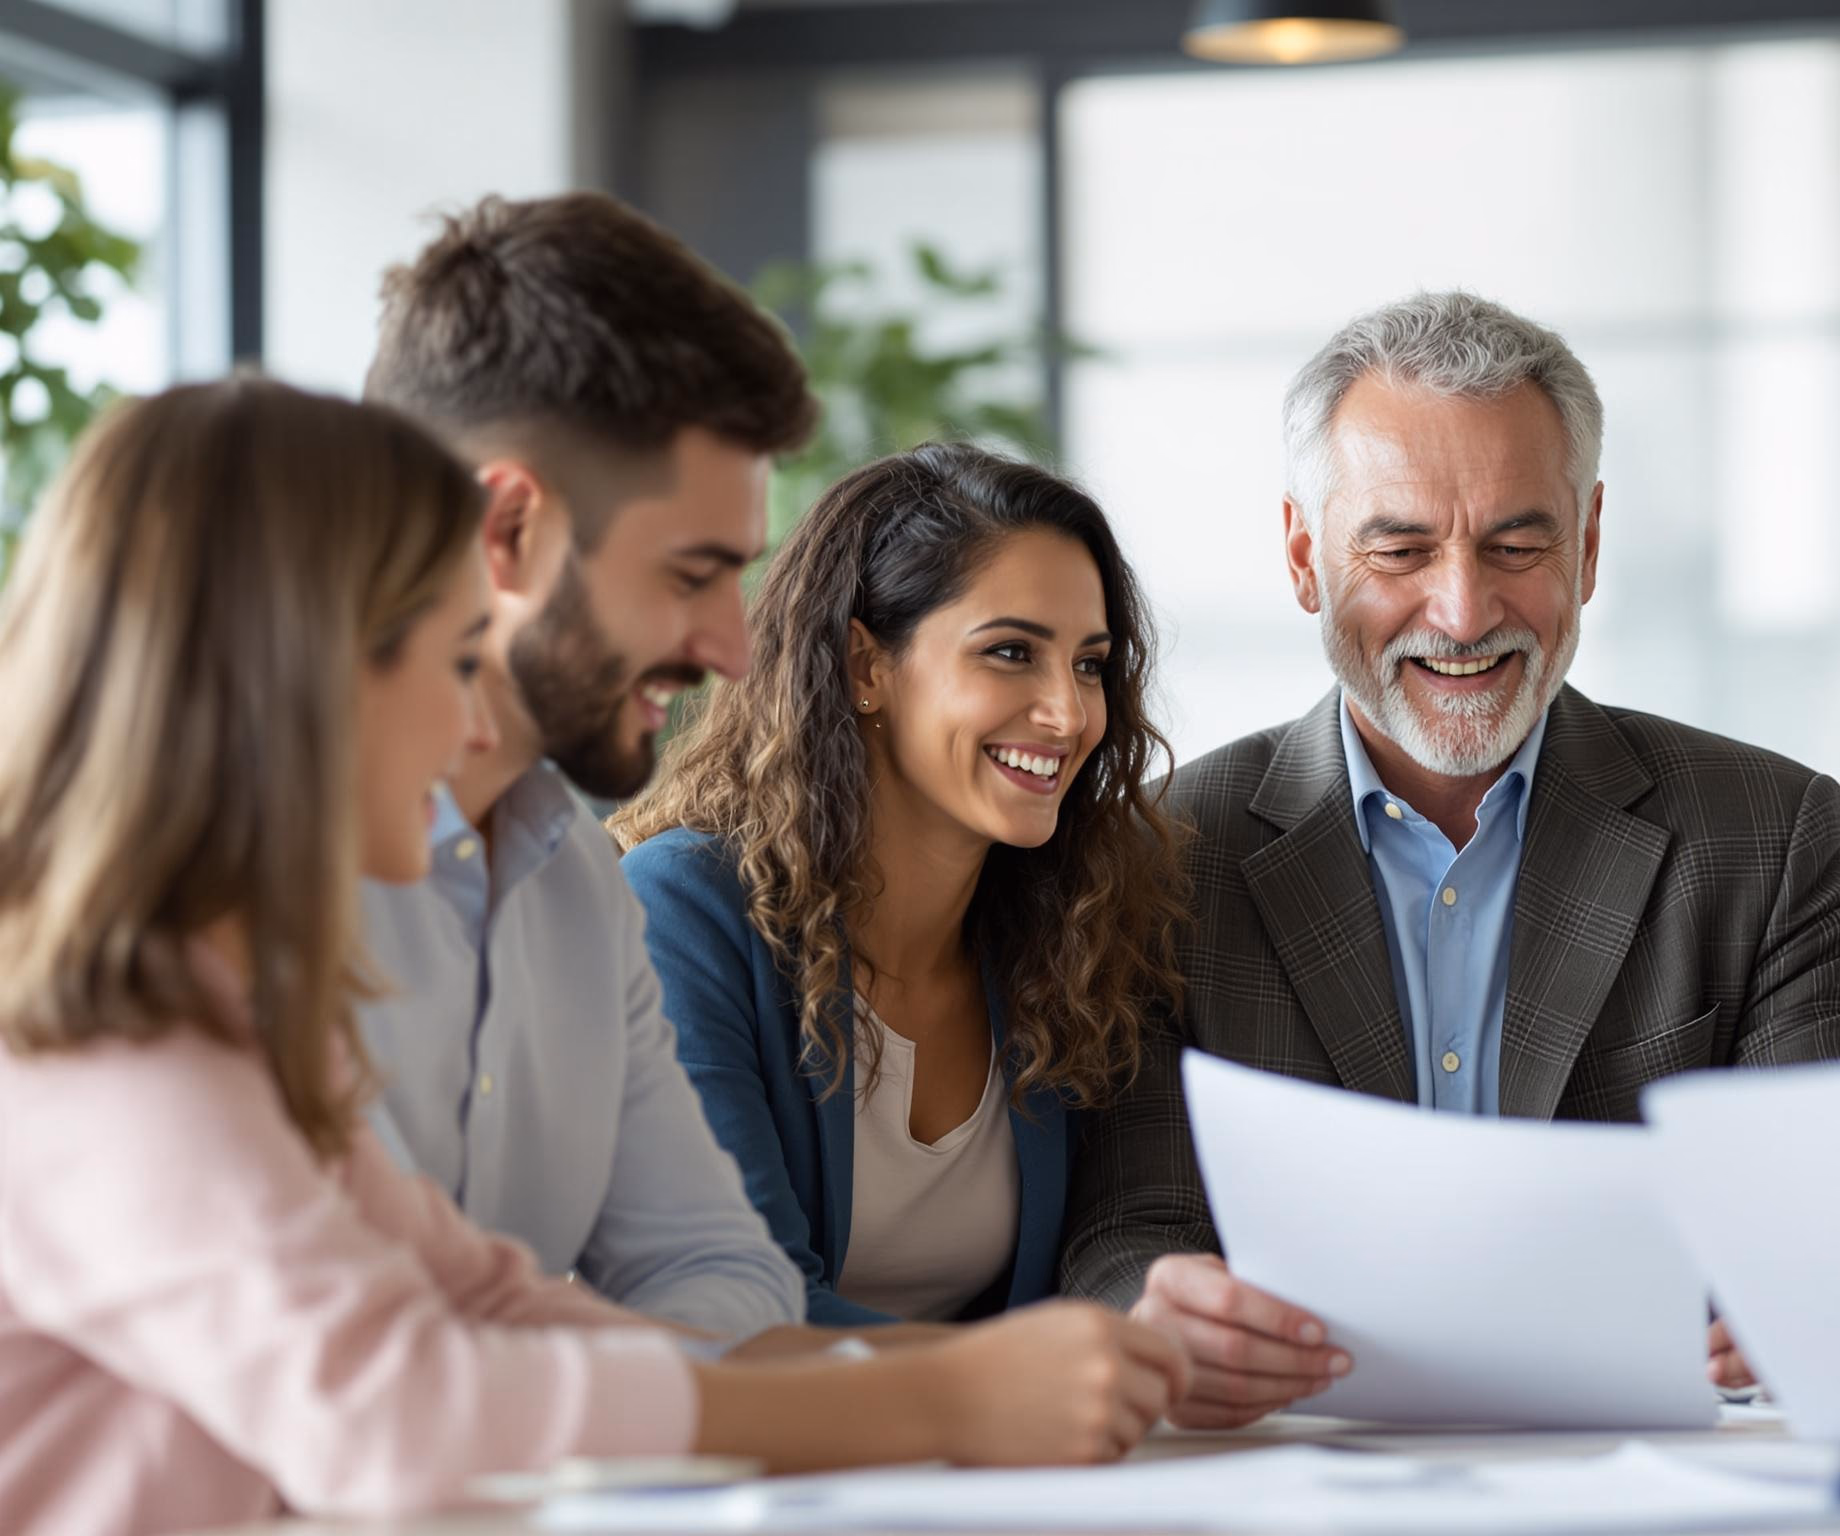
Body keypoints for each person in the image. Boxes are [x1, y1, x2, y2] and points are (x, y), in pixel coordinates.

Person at [0, 381, 1188, 1535]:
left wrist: (1031, 1369)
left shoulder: (225, 1011)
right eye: (462, 661)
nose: (478, 732)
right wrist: (940, 1396)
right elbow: (394, 1410)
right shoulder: (97, 1046)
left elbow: (492, 1308)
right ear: (298, 676)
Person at [1056, 290, 1840, 1428]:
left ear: (1588, 546)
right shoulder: (1160, 859)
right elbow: (1128, 1225)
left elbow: (1834, 1222)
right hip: (1303, 1472)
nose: (1461, 611)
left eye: (1517, 545)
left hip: (1664, 1477)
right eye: (1399, 549)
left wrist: (1807, 1298)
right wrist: (1162, 1308)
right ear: (1306, 559)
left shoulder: (1766, 833)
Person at [353, 191, 820, 1344]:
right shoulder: (224, 883)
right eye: (688, 573)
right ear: (506, 531)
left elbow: (726, 1271)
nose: (734, 648)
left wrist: (531, 1391)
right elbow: (359, 1376)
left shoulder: (578, 883)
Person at [613, 444, 1187, 1328]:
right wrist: (1022, 1378)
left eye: (1088, 664)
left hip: (1011, 1461)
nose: (1070, 714)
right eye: (1009, 653)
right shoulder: (684, 911)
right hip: (769, 1459)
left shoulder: (1071, 932)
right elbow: (731, 1307)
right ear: (865, 667)